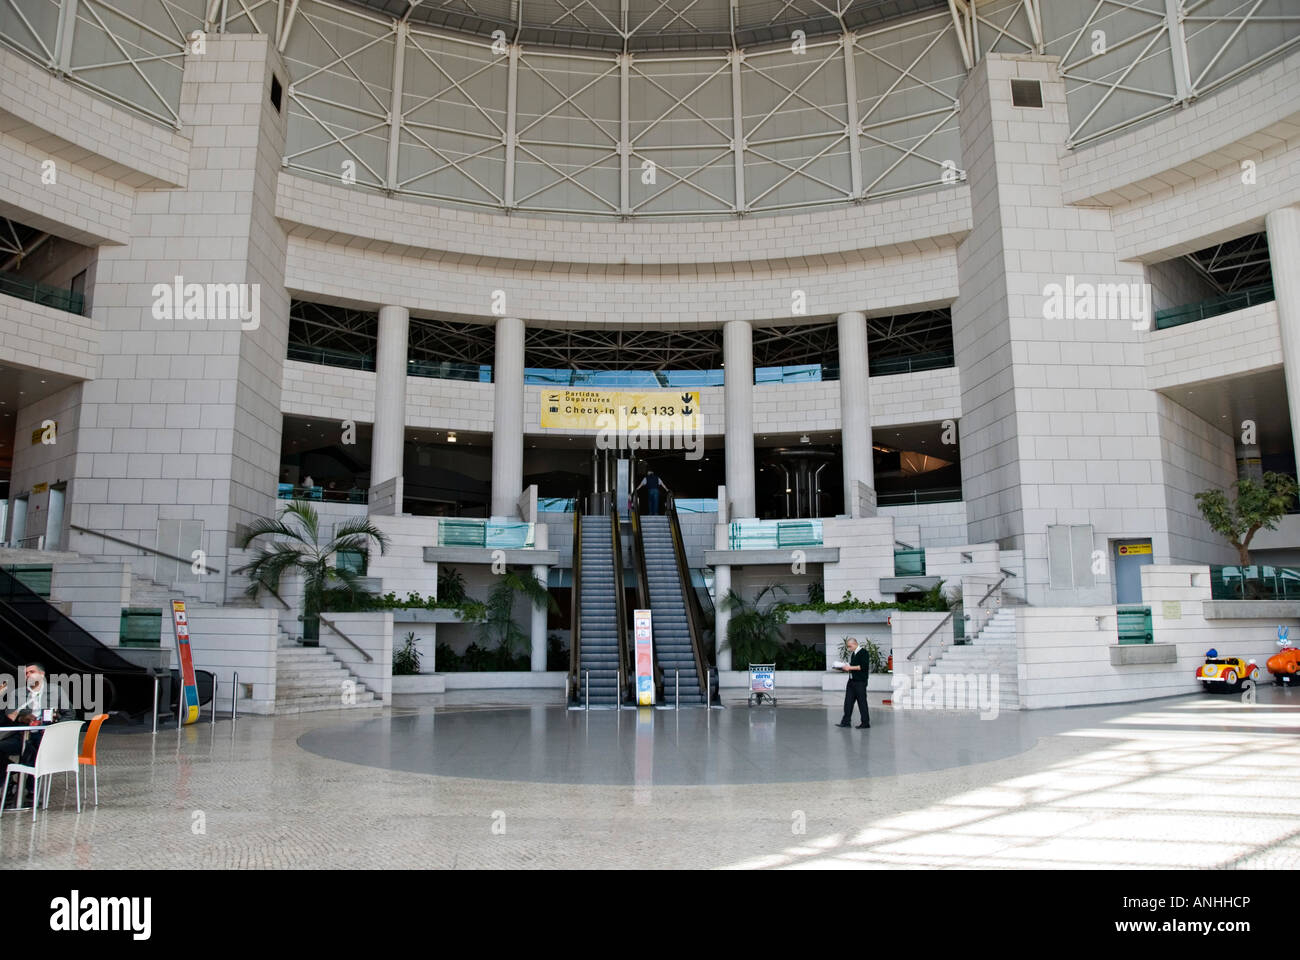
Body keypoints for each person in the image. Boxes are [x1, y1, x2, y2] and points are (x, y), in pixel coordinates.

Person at [836, 638, 871, 729]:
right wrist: (844, 667)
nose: (848, 648)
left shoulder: (863, 653)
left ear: (855, 644)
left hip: (860, 682)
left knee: (862, 702)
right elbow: (853, 666)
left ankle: (865, 723)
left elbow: (863, 667)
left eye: (849, 646)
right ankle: (846, 722)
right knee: (848, 702)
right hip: (851, 681)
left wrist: (850, 668)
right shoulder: (854, 653)